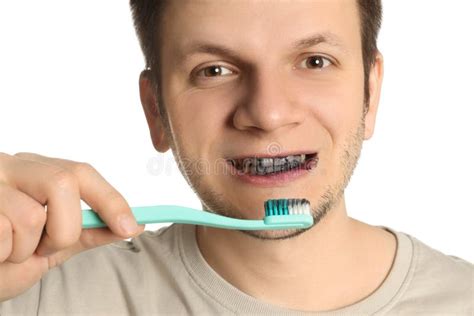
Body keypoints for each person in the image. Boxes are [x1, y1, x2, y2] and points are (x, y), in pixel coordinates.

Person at [0, 0, 472, 315]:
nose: (267, 113)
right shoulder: (39, 295)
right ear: (155, 110)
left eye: (314, 61)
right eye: (215, 70)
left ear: (371, 90)